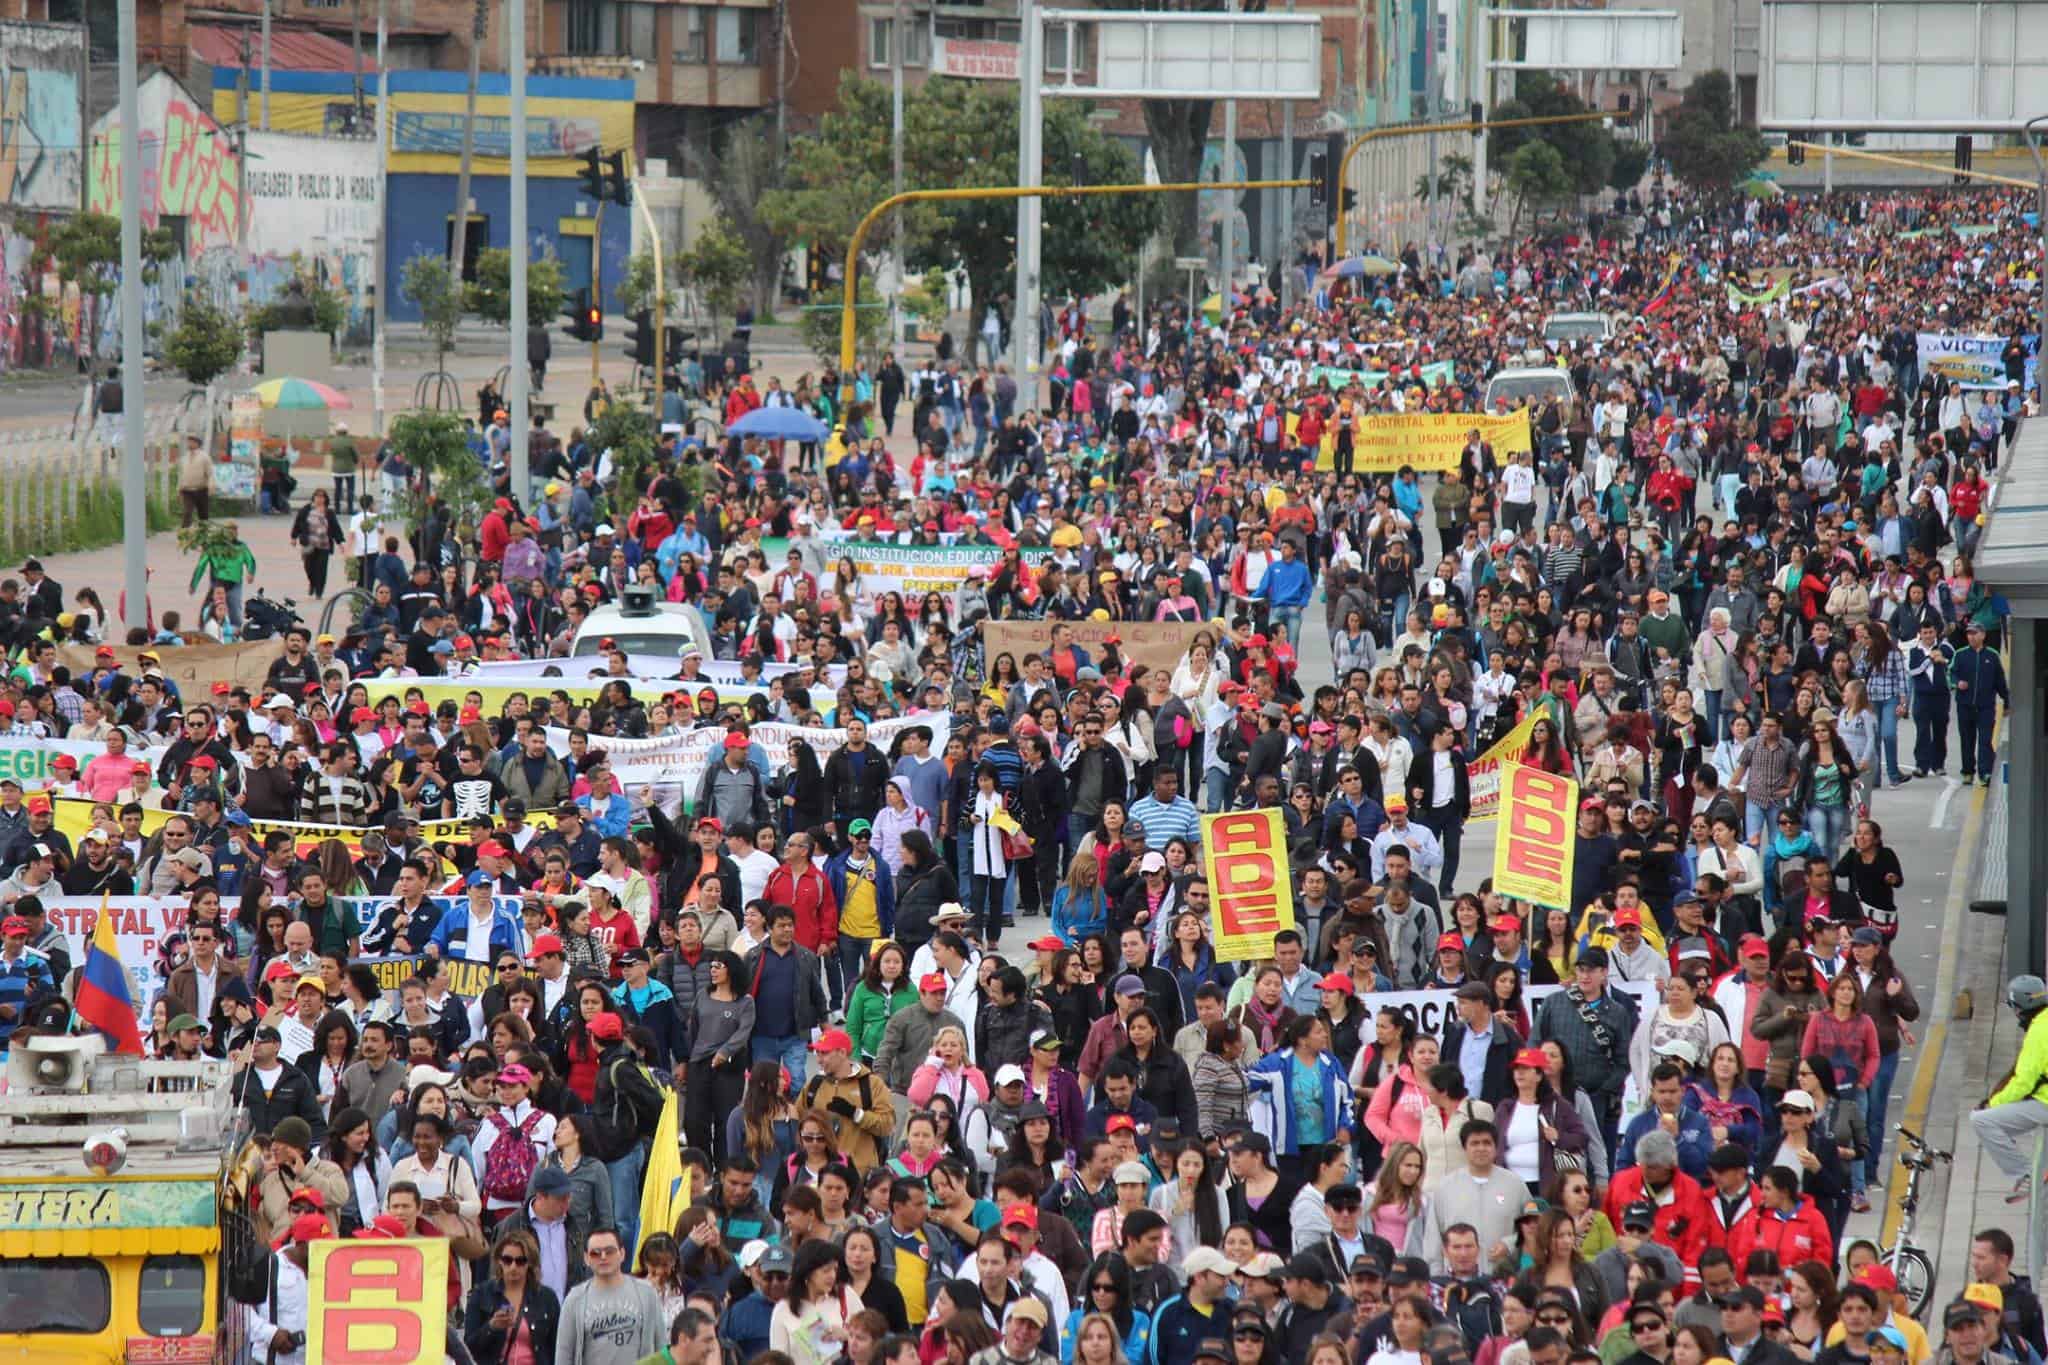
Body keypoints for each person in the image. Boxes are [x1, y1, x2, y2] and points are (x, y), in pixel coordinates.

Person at [558, 1225, 668, 1364]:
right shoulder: (574, 1299)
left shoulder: (646, 1293)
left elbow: (661, 1346)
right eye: (595, 1253)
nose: (603, 1257)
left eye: (609, 1251)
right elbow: (563, 1355)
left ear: (622, 1254)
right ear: (586, 1258)